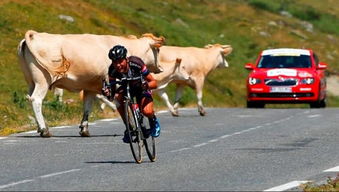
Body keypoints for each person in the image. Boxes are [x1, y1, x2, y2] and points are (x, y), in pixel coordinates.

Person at [102, 45, 161, 143]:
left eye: (120, 61)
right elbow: (112, 93)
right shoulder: (112, 70)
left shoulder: (136, 63)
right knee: (117, 98)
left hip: (141, 87)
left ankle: (153, 121)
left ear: (126, 59)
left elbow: (154, 83)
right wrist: (107, 93)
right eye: (115, 62)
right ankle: (129, 128)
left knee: (147, 111)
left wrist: (146, 85)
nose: (118, 65)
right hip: (126, 88)